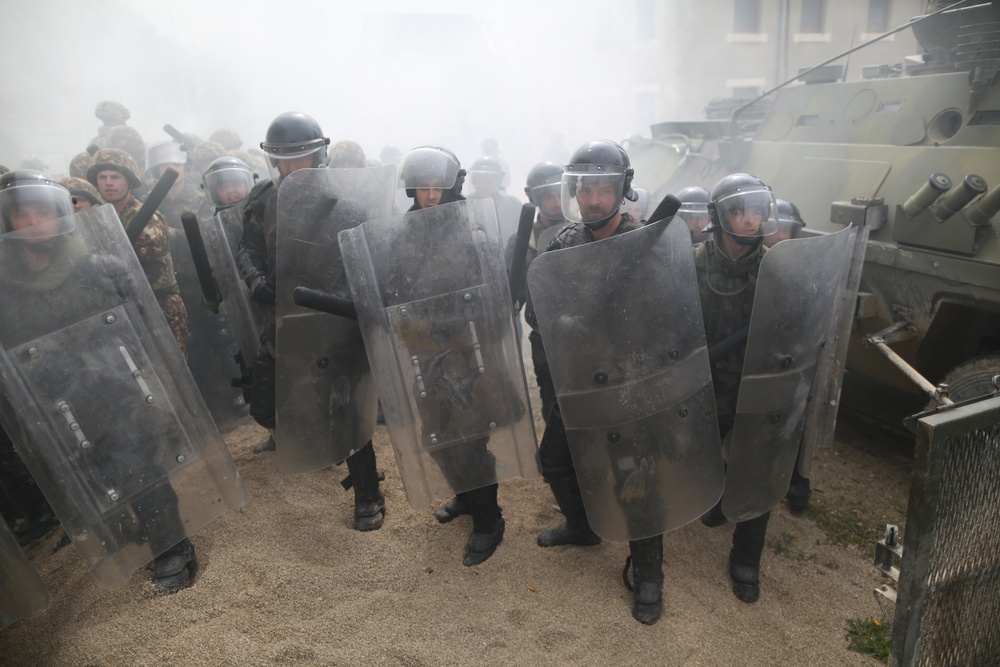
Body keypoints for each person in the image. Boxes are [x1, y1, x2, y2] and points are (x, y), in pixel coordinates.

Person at [0, 170, 200, 592]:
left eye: (43, 211)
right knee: (91, 475)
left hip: (113, 388)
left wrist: (83, 355)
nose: (34, 222)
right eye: (22, 214)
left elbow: (138, 327)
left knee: (137, 466)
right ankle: (130, 534)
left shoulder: (98, 268)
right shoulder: (5, 286)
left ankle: (171, 546)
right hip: (54, 402)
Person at [527, 140, 666, 624]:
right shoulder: (565, 243)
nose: (592, 199)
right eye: (585, 189)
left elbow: (669, 318)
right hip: (580, 380)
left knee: (635, 479)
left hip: (628, 385)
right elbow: (545, 303)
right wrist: (560, 323)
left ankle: (649, 574)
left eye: (603, 188)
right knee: (555, 461)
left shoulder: (645, 243)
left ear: (621, 190)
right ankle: (582, 526)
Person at [239, 112, 384, 531]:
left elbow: (364, 262)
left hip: (329, 319)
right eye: (285, 160)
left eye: (301, 159)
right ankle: (304, 443)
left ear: (319, 157)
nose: (293, 168)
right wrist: (256, 282)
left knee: (344, 406)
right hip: (282, 318)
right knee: (265, 402)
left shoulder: (346, 203)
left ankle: (368, 494)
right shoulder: (263, 199)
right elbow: (247, 248)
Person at [396, 145, 507, 566]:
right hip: (423, 349)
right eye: (422, 188)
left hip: (465, 349)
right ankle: (464, 496)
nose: (429, 196)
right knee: (437, 436)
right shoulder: (405, 232)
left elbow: (491, 290)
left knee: (469, 439)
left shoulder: (469, 228)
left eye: (436, 187)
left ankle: (488, 520)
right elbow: (394, 288)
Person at [695, 172, 779, 603]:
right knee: (700, 453)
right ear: (719, 216)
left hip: (754, 384)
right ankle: (713, 500)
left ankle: (746, 557)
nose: (750, 221)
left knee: (758, 470)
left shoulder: (776, 268)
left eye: (757, 212)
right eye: (739, 212)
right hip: (704, 384)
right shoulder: (692, 262)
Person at [86, 148, 189, 358]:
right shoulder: (95, 217)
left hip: (158, 308)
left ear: (129, 181)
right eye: (102, 177)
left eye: (115, 177)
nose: (108, 182)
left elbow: (137, 253)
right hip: (117, 310)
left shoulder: (148, 217)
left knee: (172, 372)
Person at [506, 161, 566, 422]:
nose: (555, 202)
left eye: (559, 195)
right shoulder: (523, 240)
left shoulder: (586, 229)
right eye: (548, 196)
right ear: (535, 199)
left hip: (587, 332)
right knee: (553, 403)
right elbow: (512, 289)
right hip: (544, 335)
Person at [466, 156, 523, 246]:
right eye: (480, 182)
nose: (484, 187)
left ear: (498, 181)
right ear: (473, 182)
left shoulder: (513, 205)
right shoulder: (465, 205)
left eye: (489, 182)